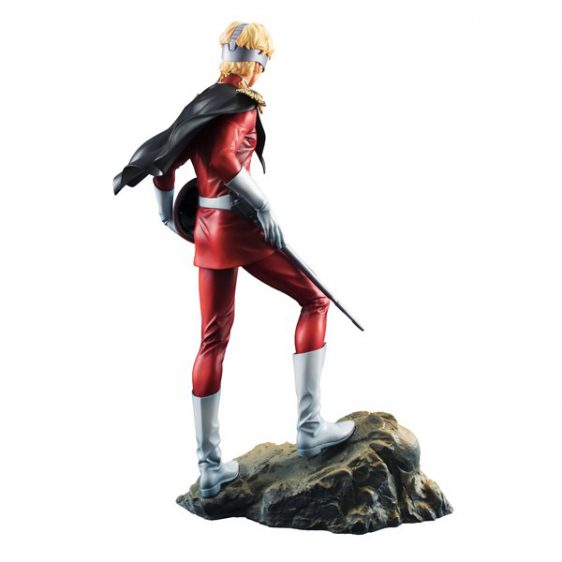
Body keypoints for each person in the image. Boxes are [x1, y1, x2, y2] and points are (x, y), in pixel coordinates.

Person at [114, 21, 355, 498]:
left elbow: (165, 161)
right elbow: (225, 161)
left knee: (212, 342)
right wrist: (262, 206)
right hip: (240, 228)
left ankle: (210, 469)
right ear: (257, 61)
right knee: (315, 301)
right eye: (264, 60)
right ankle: (310, 428)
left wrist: (167, 215)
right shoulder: (240, 105)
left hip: (208, 232)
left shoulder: (203, 102)